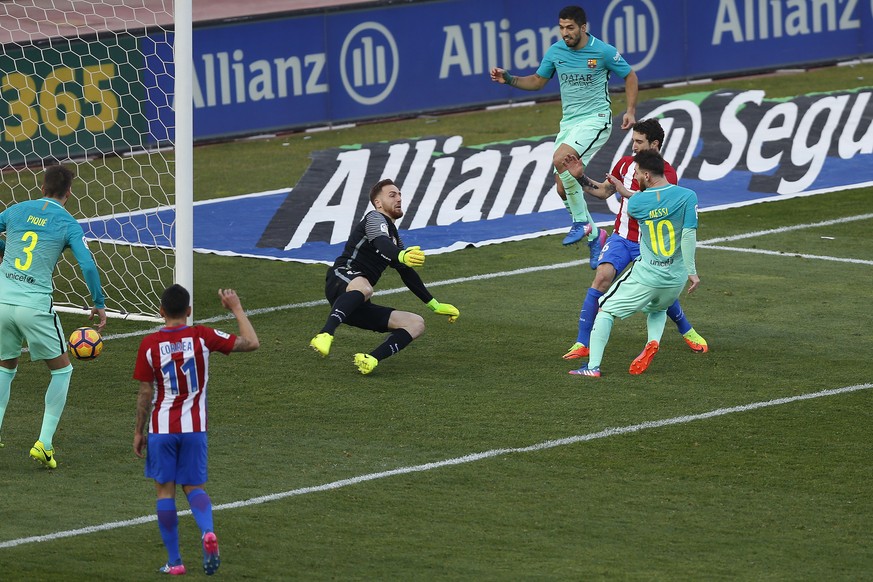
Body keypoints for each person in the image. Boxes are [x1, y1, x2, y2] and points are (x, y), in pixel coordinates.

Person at [490, 4, 638, 268]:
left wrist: (630, 111)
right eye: (561, 27)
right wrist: (510, 79)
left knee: (561, 159)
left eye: (570, 28)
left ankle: (581, 222)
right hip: (569, 124)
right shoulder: (556, 51)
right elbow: (537, 81)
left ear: (583, 27)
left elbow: (629, 76)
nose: (565, 33)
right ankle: (596, 236)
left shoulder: (602, 51)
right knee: (562, 187)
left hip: (596, 120)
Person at [133, 285, 260, 575]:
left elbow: (144, 392)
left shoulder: (150, 344)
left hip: (161, 429)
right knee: (194, 487)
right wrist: (236, 308)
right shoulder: (202, 336)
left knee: (165, 492)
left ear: (161, 312)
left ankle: (175, 562)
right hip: (194, 428)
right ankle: (207, 532)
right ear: (188, 311)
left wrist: (139, 431)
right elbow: (251, 342)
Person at [561, 119, 708, 361]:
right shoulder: (625, 165)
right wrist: (580, 177)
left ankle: (687, 330)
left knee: (657, 292)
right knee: (601, 279)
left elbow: (657, 206)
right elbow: (602, 191)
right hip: (621, 237)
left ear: (655, 143)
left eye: (639, 142)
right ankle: (582, 343)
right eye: (633, 141)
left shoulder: (666, 174)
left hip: (649, 244)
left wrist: (624, 191)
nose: (634, 146)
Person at [0, 164, 106, 467]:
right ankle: (44, 444)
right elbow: (86, 264)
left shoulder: (16, 210)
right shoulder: (69, 223)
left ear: (41, 187)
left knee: (5, 367)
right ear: (69, 193)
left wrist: (4, 249)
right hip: (34, 305)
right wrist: (98, 301)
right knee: (62, 371)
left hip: (2, 300)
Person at [309, 178, 460, 375]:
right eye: (392, 195)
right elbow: (380, 242)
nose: (398, 199)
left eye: (399, 195)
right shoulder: (374, 218)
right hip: (342, 278)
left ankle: (370, 360)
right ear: (378, 203)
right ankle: (325, 334)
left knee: (416, 323)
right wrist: (401, 254)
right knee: (365, 288)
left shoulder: (394, 236)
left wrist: (434, 304)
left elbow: (405, 271)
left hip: (355, 302)